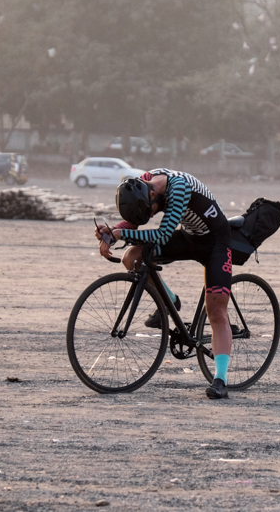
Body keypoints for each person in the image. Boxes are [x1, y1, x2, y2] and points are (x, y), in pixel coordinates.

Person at [95, 169, 233, 400]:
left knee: (216, 311)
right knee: (132, 257)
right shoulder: (143, 184)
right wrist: (112, 231)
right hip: (189, 236)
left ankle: (220, 380)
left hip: (216, 242)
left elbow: (162, 235)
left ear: (153, 196)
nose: (150, 215)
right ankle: (171, 302)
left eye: (150, 212)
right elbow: (133, 221)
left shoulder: (178, 188)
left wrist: (119, 234)